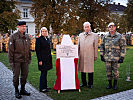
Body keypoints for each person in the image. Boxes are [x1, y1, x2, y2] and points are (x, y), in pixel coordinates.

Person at [8, 21, 31, 99]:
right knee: (16, 76)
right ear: (18, 27)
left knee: (24, 75)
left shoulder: (27, 37)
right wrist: (11, 62)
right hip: (16, 60)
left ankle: (23, 89)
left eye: (25, 26)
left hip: (25, 60)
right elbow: (10, 50)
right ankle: (16, 90)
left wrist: (29, 58)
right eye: (22, 26)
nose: (24, 27)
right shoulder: (13, 37)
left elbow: (29, 49)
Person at [100, 22, 126, 90]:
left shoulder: (120, 36)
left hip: (116, 58)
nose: (111, 28)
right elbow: (102, 46)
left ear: (115, 27)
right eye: (110, 27)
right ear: (108, 28)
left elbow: (123, 47)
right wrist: (101, 55)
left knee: (115, 72)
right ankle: (109, 84)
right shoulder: (105, 36)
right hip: (107, 57)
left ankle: (115, 84)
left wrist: (122, 57)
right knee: (108, 72)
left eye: (112, 26)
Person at [78, 22, 98, 88]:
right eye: (85, 27)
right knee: (82, 69)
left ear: (90, 27)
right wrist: (77, 54)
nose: (87, 28)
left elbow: (95, 46)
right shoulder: (80, 35)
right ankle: (84, 83)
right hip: (82, 55)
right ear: (83, 28)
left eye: (88, 27)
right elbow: (78, 46)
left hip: (90, 54)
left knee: (90, 70)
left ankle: (90, 84)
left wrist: (95, 55)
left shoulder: (94, 35)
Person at [35, 27, 52, 93]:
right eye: (43, 31)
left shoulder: (47, 39)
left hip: (47, 59)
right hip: (42, 59)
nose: (44, 32)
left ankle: (45, 86)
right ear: (41, 32)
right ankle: (42, 87)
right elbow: (37, 51)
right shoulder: (39, 39)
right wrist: (40, 60)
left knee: (45, 73)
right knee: (43, 73)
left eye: (45, 31)